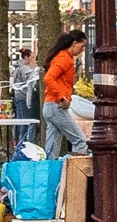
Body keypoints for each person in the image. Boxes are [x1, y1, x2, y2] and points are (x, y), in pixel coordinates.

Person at [35, 29, 87, 159]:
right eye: (82, 46)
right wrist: (62, 98)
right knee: (80, 141)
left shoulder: (62, 57)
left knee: (51, 147)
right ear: (74, 43)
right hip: (57, 105)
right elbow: (48, 78)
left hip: (50, 106)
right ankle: (77, 175)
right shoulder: (65, 59)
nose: (83, 50)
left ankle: (48, 173)